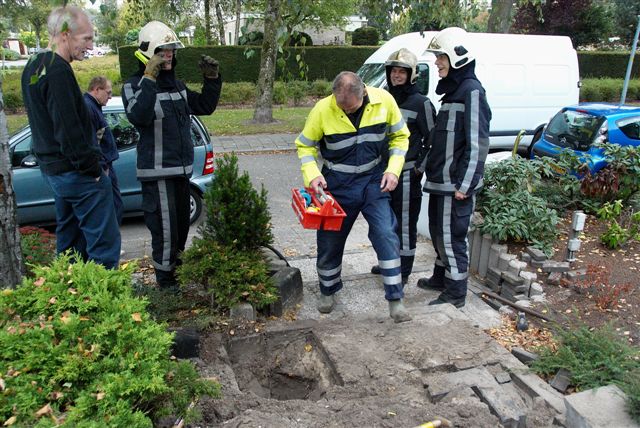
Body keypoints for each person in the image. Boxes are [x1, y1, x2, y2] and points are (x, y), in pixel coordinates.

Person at [295, 71, 412, 323]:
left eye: (351, 108)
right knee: (330, 240)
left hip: (373, 180)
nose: (345, 112)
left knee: (385, 233)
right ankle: (327, 290)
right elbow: (305, 146)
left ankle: (395, 298)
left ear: (364, 93)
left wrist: (393, 170)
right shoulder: (322, 109)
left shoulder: (385, 101)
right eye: (341, 107)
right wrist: (313, 174)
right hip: (337, 185)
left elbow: (401, 137)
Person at [123, 21, 222, 290]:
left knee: (179, 232)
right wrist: (149, 78)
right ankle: (167, 288)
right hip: (157, 175)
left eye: (171, 50)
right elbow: (139, 116)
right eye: (163, 50)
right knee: (165, 235)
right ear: (148, 52)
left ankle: (176, 280)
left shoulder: (177, 86)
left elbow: (204, 106)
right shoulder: (134, 85)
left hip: (181, 172)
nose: (168, 55)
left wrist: (212, 80)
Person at [21, 6, 120, 269]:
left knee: (69, 246)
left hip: (55, 173)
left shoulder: (34, 65)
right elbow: (69, 131)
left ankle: (68, 300)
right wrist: (95, 171)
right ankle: (106, 305)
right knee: (104, 249)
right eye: (86, 38)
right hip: (78, 174)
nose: (90, 45)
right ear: (65, 34)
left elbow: (42, 124)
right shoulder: (57, 70)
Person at [416, 27, 492, 308]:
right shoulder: (453, 92)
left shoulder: (471, 92)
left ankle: (456, 294)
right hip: (440, 182)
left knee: (451, 237)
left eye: (441, 57)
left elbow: (477, 143)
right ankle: (441, 277)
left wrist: (466, 184)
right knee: (438, 233)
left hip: (454, 186)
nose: (437, 63)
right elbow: (440, 140)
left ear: (458, 57)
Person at [370, 48, 436, 284]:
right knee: (385, 222)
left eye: (402, 72)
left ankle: (403, 272)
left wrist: (419, 167)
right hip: (383, 173)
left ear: (411, 75)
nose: (397, 76)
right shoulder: (383, 99)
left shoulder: (422, 103)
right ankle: (388, 261)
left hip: (407, 175)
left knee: (406, 224)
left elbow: (433, 140)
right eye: (394, 71)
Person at [84, 76, 123, 225]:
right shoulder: (89, 108)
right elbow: (91, 142)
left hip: (105, 165)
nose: (110, 97)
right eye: (108, 92)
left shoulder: (93, 106)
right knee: (112, 208)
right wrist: (102, 167)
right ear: (97, 89)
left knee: (114, 207)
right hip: (102, 167)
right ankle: (109, 246)